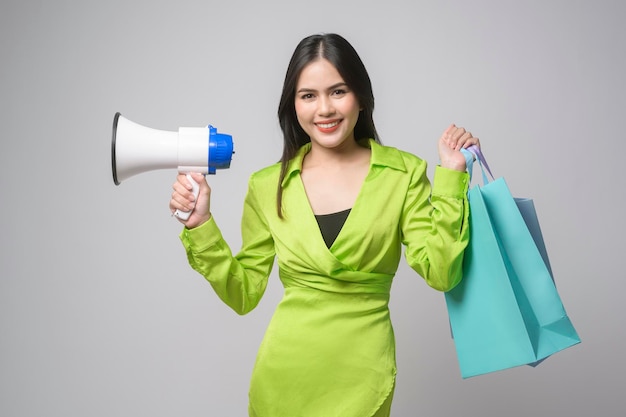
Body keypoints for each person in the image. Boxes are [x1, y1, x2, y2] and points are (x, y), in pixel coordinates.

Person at [169, 33, 480, 417]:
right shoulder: (268, 186)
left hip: (363, 375)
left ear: (361, 97)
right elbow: (243, 293)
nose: (324, 109)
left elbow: (442, 273)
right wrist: (201, 224)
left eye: (338, 91)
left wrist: (452, 177)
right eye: (308, 96)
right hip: (283, 377)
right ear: (293, 105)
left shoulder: (403, 173)